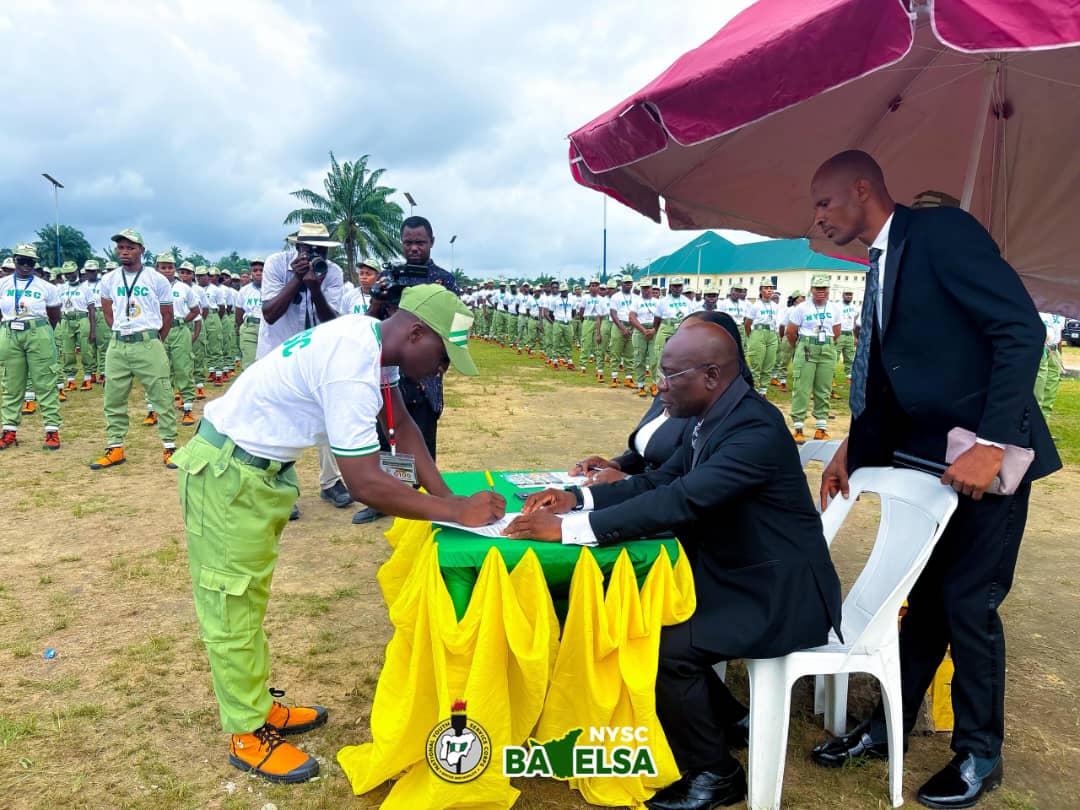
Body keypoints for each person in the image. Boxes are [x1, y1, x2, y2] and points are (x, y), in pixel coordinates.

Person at [503, 316, 842, 810]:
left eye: (669, 375)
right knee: (635, 614)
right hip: (734, 574)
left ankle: (715, 772)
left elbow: (683, 499)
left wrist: (572, 532)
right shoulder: (714, 416)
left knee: (660, 646)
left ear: (709, 376)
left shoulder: (754, 428)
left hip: (777, 594)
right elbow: (659, 482)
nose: (658, 386)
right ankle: (725, 719)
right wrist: (577, 500)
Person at [809, 150, 1061, 809]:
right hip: (934, 464)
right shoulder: (882, 262)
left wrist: (991, 441)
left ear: (861, 191)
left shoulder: (940, 233)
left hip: (992, 458)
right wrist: (850, 450)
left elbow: (1019, 328)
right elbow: (894, 384)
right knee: (921, 602)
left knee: (969, 603)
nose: (818, 217)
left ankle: (980, 755)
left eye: (824, 203)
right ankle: (889, 729)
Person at [173, 284, 505, 784]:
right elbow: (366, 482)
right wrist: (454, 512)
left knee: (249, 596)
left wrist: (449, 503)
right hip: (229, 474)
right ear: (416, 333)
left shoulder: (372, 340)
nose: (442, 370)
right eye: (442, 356)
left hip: (255, 472)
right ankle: (246, 733)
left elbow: (403, 428)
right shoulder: (354, 364)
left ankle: (258, 706)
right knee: (231, 603)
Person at [356, 216, 461, 524]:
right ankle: (391, 499)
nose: (414, 248)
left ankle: (425, 499)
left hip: (426, 376)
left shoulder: (445, 280)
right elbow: (370, 324)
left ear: (432, 242)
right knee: (387, 434)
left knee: (423, 435)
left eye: (420, 242)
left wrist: (441, 365)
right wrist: (377, 297)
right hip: (389, 373)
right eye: (408, 242)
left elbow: (458, 328)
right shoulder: (388, 276)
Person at [259, 223, 351, 516]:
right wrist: (297, 281)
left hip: (317, 359)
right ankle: (280, 488)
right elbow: (270, 313)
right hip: (279, 358)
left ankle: (331, 482)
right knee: (279, 423)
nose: (313, 255)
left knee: (327, 419)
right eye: (307, 249)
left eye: (319, 250)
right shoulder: (276, 264)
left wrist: (314, 286)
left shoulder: (332, 272)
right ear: (297, 248)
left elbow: (331, 321)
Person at [90, 229, 179, 469]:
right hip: (118, 345)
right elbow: (108, 312)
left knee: (162, 394)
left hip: (149, 342)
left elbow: (167, 314)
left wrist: (153, 339)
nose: (124, 252)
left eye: (130, 247)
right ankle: (115, 446)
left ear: (141, 250)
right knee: (113, 397)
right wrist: (122, 332)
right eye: (121, 247)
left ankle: (170, 447)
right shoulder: (109, 279)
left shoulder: (156, 278)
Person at [0, 244, 63, 450]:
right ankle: (9, 430)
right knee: (11, 382)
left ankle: (51, 431)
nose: (26, 266)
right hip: (10, 332)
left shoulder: (47, 287)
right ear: (14, 260)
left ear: (35, 264)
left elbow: (54, 315)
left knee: (45, 381)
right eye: (21, 261)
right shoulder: (3, 284)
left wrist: (43, 333)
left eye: (31, 262)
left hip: (38, 332)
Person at [785, 275, 841, 442]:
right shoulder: (802, 308)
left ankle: (821, 428)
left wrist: (827, 345)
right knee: (802, 388)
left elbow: (836, 332)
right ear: (812, 290)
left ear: (829, 290)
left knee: (823, 389)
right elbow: (790, 332)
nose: (821, 292)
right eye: (818, 288)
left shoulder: (834, 308)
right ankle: (798, 427)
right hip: (807, 346)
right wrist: (800, 348)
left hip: (827, 348)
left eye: (824, 289)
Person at [157, 254, 200, 428]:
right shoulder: (152, 286)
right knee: (159, 370)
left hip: (179, 330)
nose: (166, 271)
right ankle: (155, 410)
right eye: (163, 267)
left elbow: (195, 310)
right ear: (157, 269)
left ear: (174, 269)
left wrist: (182, 321)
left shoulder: (184, 288)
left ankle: (188, 409)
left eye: (170, 267)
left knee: (183, 368)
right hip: (159, 331)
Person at [58, 260, 96, 391]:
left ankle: (87, 378)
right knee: (68, 351)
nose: (69, 275)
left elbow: (92, 309)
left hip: (82, 318)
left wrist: (93, 330)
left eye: (71, 272)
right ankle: (71, 380)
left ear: (77, 271)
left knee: (86, 350)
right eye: (66, 273)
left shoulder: (85, 288)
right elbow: (57, 307)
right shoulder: (61, 288)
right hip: (66, 320)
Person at [743, 282, 780, 396]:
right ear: (760, 291)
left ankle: (763, 391)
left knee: (769, 363)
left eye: (771, 288)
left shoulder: (775, 305)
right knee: (756, 364)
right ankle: (754, 390)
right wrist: (753, 336)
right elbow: (747, 324)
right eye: (766, 288)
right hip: (758, 332)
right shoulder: (756, 306)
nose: (769, 290)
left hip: (772, 333)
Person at [630, 281, 660, 397]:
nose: (646, 290)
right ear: (641, 289)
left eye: (647, 288)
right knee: (639, 358)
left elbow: (661, 318)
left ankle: (654, 384)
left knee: (655, 359)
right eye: (643, 288)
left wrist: (653, 330)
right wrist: (643, 330)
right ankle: (641, 385)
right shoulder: (636, 301)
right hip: (640, 330)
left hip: (654, 330)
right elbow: (632, 317)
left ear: (651, 288)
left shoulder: (658, 302)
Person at [607, 275, 637, 389]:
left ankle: (628, 379)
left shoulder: (636, 297)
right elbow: (613, 314)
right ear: (621, 284)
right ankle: (614, 378)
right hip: (619, 325)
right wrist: (622, 328)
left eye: (630, 282)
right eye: (626, 283)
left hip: (632, 326)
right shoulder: (616, 297)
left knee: (630, 354)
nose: (628, 284)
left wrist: (634, 326)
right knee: (616, 352)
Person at [1034, 311, 1065, 420]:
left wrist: (1059, 357)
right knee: (1037, 394)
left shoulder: (1060, 308)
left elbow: (1058, 335)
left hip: (1053, 350)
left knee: (1050, 394)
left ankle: (1044, 430)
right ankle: (1032, 432)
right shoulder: (1039, 304)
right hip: (1040, 349)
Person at [837, 288, 858, 381]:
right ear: (843, 295)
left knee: (850, 356)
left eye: (850, 294)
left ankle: (849, 375)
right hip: (839, 333)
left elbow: (855, 321)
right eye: (847, 294)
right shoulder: (837, 306)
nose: (849, 296)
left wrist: (855, 336)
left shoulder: (855, 307)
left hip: (849, 334)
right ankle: (831, 377)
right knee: (834, 355)